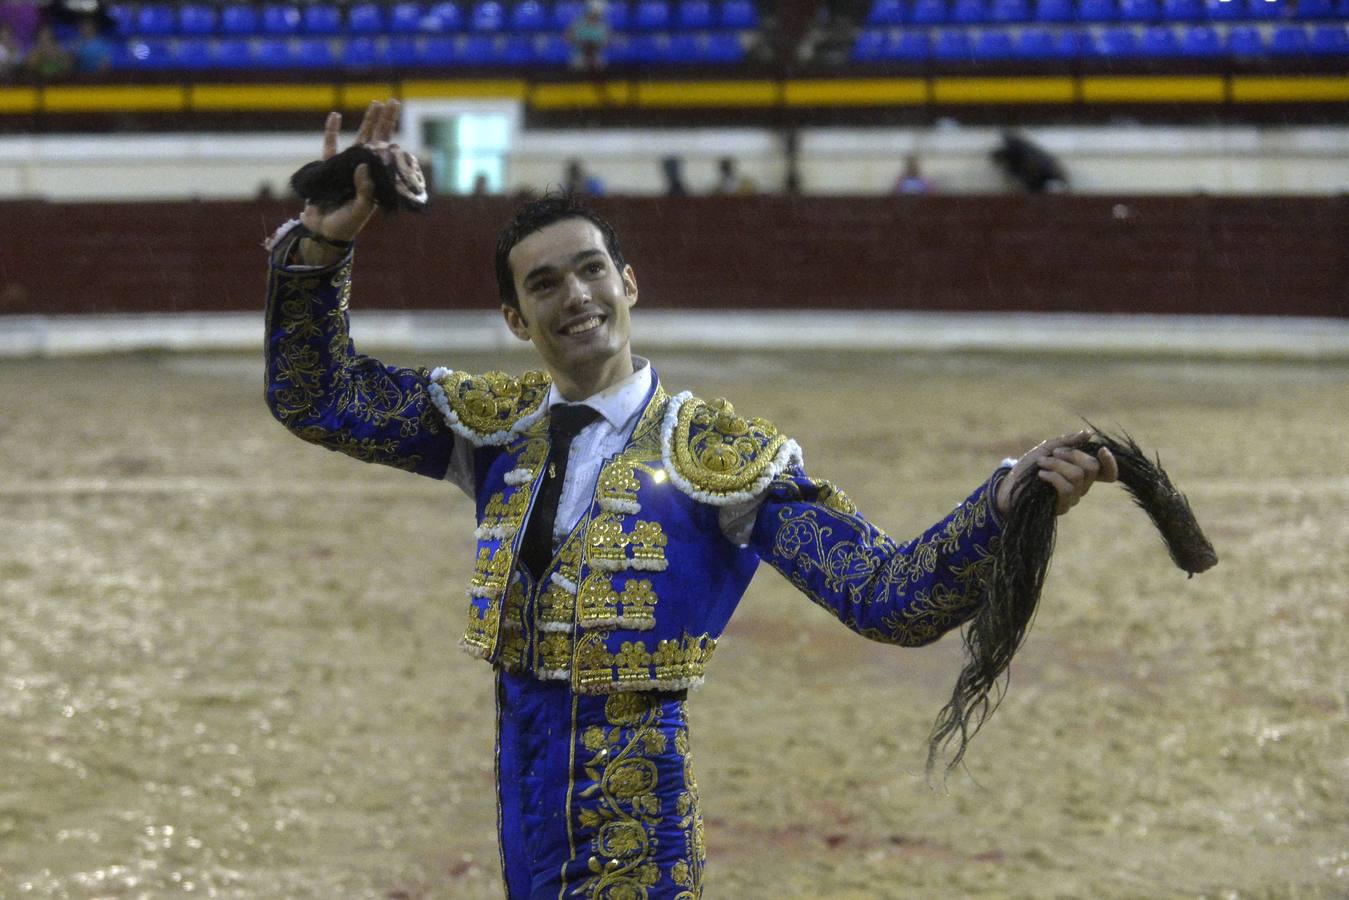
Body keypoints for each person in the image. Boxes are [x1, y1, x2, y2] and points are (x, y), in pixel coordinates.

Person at [263, 101, 1117, 898]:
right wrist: (322, 244)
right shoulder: (490, 428)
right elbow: (317, 396)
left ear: (629, 284)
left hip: (637, 814)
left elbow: (886, 595)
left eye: (592, 270)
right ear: (516, 319)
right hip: (521, 795)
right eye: (545, 284)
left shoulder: (716, 454)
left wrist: (1001, 502)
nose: (577, 298)